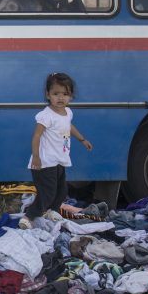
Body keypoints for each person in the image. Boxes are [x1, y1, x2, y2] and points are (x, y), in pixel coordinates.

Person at [21, 72, 93, 229]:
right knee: (47, 192)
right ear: (48, 95)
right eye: (56, 94)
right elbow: (36, 136)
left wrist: (82, 139)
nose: (61, 98)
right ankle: (29, 216)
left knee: (61, 190)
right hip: (44, 161)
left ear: (71, 96)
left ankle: (51, 210)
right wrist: (36, 157)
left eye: (65, 94)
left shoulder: (67, 112)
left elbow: (69, 126)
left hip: (59, 159)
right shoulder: (46, 116)